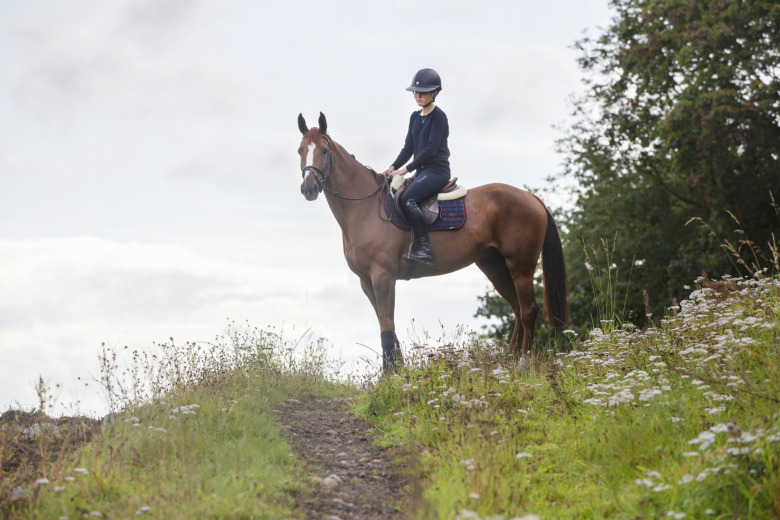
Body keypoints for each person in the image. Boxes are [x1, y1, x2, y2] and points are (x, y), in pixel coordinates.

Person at [383, 68, 451, 266]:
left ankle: (424, 249)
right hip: (422, 172)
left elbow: (430, 150)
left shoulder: (439, 117)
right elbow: (409, 148)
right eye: (415, 92)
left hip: (436, 171)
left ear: (435, 93)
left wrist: (405, 170)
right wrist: (393, 165)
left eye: (423, 92)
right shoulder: (414, 117)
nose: (418, 96)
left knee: (407, 198)